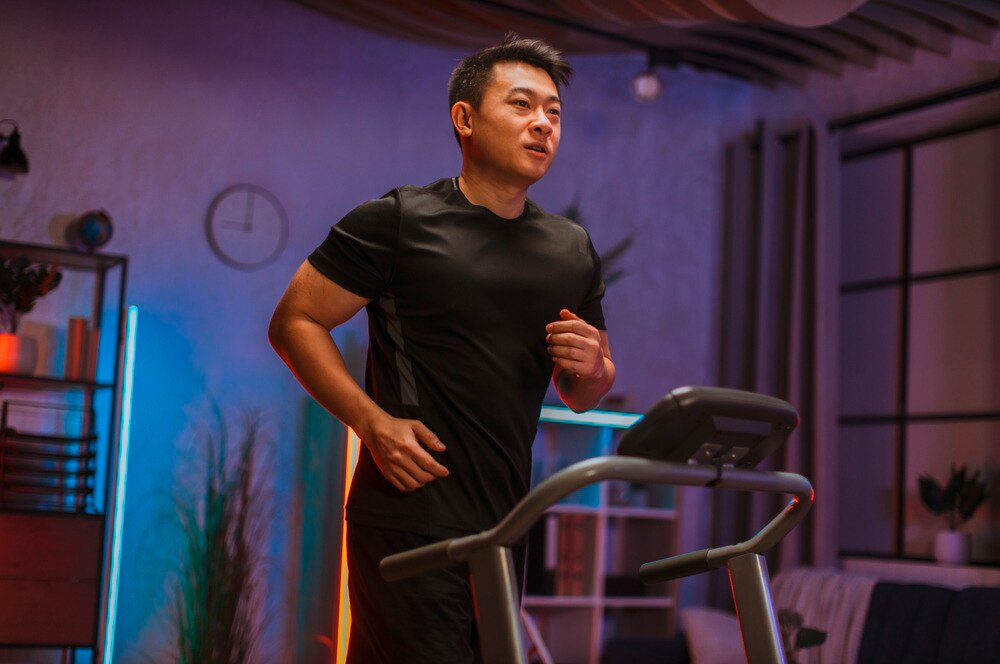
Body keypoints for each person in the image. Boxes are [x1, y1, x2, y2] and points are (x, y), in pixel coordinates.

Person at [269, 34, 615, 663]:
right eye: (521, 105)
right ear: (465, 119)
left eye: (554, 112)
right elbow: (294, 322)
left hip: (507, 523)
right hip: (408, 517)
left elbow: (584, 392)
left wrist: (595, 367)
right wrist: (371, 423)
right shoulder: (398, 221)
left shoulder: (571, 248)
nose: (543, 123)